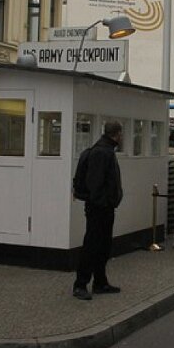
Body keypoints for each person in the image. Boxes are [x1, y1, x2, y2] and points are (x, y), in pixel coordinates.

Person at [73, 121, 124, 301]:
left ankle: (100, 281)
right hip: (99, 207)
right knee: (93, 245)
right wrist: (103, 202)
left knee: (102, 245)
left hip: (101, 206)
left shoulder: (103, 150)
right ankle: (81, 284)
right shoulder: (103, 152)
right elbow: (96, 182)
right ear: (117, 134)